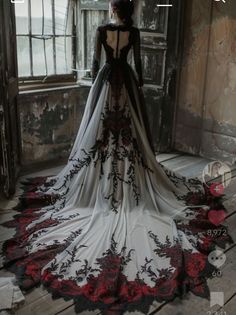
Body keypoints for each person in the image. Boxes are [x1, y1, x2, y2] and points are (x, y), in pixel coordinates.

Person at [1, 1, 233, 314]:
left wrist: (99, 85)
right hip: (125, 81)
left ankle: (101, 176)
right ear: (129, 10)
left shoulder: (101, 31)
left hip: (107, 80)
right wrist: (133, 90)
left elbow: (96, 65)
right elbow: (137, 69)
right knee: (129, 132)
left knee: (98, 134)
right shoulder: (134, 32)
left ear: (112, 8)